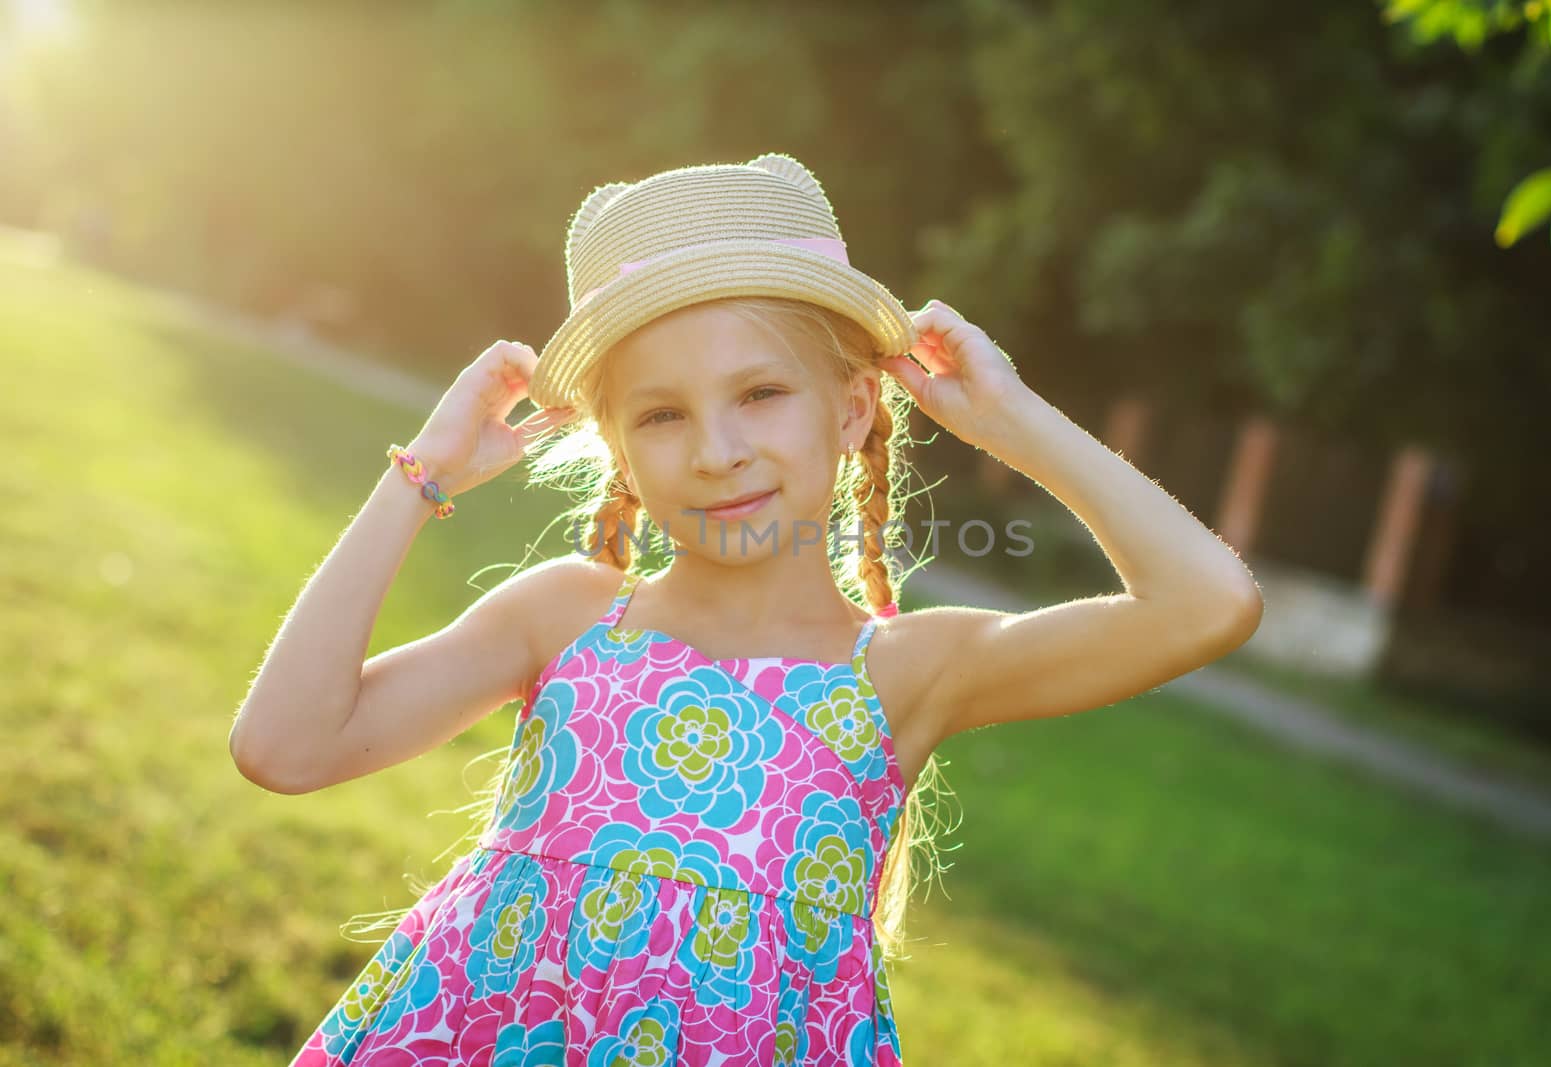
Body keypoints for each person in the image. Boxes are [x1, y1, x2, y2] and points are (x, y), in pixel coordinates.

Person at [232, 153, 1264, 1066]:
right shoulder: (566, 616)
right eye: (663, 413)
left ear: (853, 408)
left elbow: (1207, 602)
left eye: (760, 392)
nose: (717, 449)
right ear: (618, 447)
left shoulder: (907, 672)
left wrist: (1014, 422)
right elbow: (285, 745)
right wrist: (419, 476)